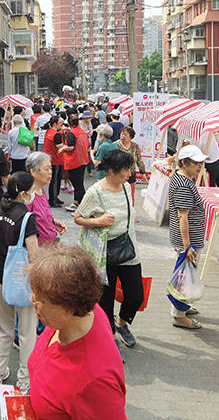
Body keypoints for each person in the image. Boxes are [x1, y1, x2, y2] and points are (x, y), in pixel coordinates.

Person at [27, 244, 126, 418]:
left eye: (39, 301)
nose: (31, 301)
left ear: (69, 307)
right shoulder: (80, 314)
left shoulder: (94, 382)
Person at [74, 150, 144, 352]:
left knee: (135, 296)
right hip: (105, 254)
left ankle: (122, 323)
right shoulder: (95, 192)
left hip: (129, 249)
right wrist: (98, 221)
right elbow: (78, 218)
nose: (129, 173)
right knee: (105, 298)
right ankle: (109, 335)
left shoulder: (125, 187)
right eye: (125, 170)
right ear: (111, 172)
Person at [0, 172, 40, 394]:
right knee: (27, 332)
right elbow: (34, 256)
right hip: (21, 280)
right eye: (32, 190)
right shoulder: (27, 218)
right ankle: (24, 379)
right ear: (24, 193)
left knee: (3, 329)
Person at [167, 144, 208, 329]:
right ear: (184, 163)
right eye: (195, 163)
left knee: (185, 274)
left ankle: (182, 306)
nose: (199, 167)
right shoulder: (183, 184)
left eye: (201, 163)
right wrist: (187, 246)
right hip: (188, 241)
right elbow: (182, 216)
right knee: (184, 275)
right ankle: (179, 314)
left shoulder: (183, 178)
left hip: (188, 239)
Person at [25, 152, 66, 245]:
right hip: (39, 250)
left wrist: (52, 223)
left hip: (50, 246)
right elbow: (25, 225)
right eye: (46, 169)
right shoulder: (28, 196)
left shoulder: (41, 190)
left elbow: (39, 217)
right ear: (33, 172)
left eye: (51, 168)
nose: (50, 172)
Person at [62, 114, 90, 213]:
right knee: (79, 183)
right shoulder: (82, 132)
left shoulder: (72, 133)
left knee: (78, 185)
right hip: (83, 160)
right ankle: (76, 202)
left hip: (74, 161)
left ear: (69, 123)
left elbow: (70, 147)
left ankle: (83, 207)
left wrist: (62, 149)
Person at [43, 115, 70, 208]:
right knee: (55, 181)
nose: (62, 126)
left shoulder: (49, 132)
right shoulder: (56, 134)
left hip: (51, 159)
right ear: (55, 124)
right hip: (56, 160)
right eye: (60, 124)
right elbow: (61, 147)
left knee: (55, 180)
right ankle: (53, 200)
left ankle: (55, 197)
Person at [117, 127, 146, 204]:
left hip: (131, 175)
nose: (123, 136)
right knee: (119, 196)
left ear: (131, 137)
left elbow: (139, 159)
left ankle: (130, 212)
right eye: (122, 134)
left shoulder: (135, 146)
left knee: (130, 195)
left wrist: (143, 173)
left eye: (125, 135)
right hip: (119, 175)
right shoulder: (115, 145)